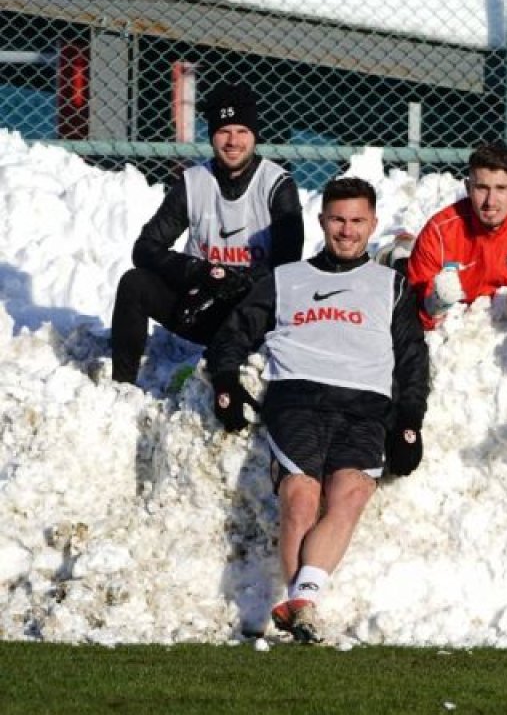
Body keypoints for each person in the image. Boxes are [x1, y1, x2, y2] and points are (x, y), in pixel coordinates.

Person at [206, 177, 428, 644]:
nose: (346, 231)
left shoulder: (392, 286)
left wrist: (409, 422)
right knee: (301, 494)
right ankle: (303, 603)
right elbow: (232, 335)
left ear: (372, 225)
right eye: (338, 220)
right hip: (297, 396)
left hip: (365, 404)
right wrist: (225, 382)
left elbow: (412, 360)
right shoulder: (286, 279)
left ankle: (299, 602)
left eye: (357, 221)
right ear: (322, 221)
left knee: (350, 491)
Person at [110, 81, 303, 385]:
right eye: (224, 132)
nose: (233, 141)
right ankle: (121, 386)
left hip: (251, 317)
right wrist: (197, 271)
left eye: (241, 131)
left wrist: (235, 281)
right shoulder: (193, 182)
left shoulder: (277, 185)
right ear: (212, 136)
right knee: (134, 284)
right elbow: (146, 248)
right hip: (201, 303)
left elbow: (287, 267)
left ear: (254, 135)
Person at [404, 141, 507, 330]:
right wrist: (436, 304)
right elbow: (413, 313)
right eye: (482, 188)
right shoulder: (439, 232)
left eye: (501, 188)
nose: (490, 201)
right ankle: (398, 254)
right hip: (457, 339)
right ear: (467, 187)